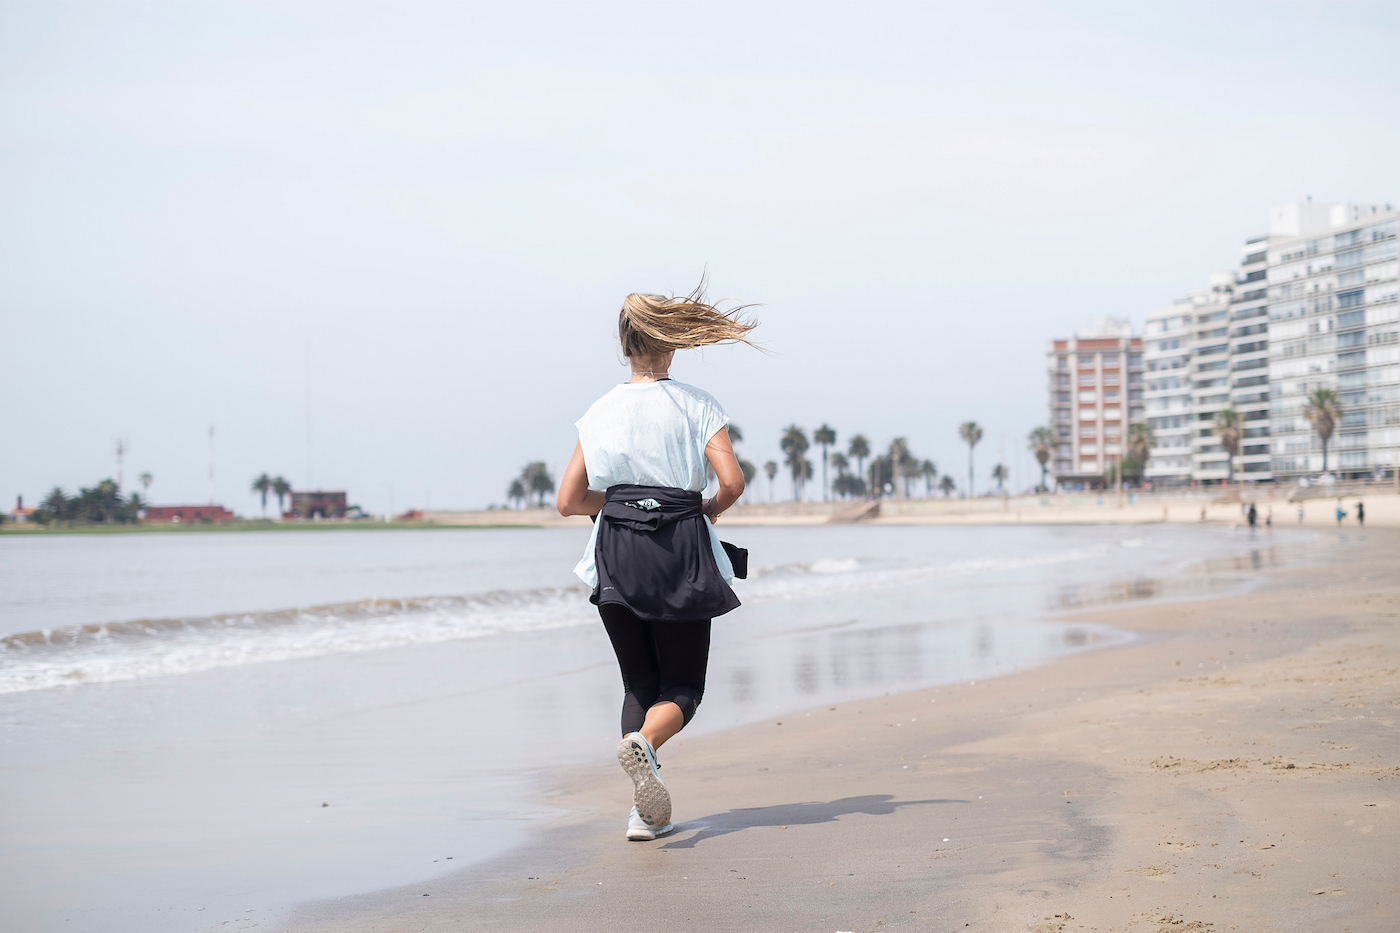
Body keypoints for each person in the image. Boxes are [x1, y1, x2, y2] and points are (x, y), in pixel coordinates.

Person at [556, 283, 755, 842]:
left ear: (625, 346)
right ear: (670, 345)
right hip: (681, 545)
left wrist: (618, 509)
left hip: (615, 549)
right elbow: (732, 482)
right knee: (684, 686)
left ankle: (643, 814)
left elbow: (568, 501)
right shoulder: (696, 403)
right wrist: (708, 510)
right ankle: (645, 750)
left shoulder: (597, 412)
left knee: (638, 683)